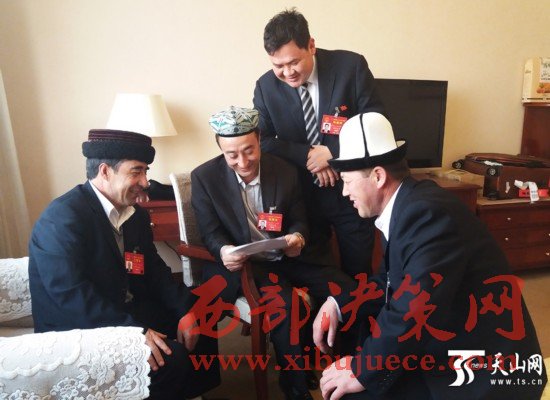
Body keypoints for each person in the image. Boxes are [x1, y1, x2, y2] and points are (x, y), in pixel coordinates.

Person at [312, 113, 547, 399]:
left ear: (378, 176)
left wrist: (361, 370)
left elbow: (412, 308)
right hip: (446, 343)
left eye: (347, 181)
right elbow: (389, 280)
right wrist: (338, 304)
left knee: (353, 389)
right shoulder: (408, 203)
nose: (344, 191)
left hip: (485, 373)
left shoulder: (426, 214)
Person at [29, 129, 219, 400]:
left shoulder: (134, 215)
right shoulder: (62, 218)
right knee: (171, 357)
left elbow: (154, 270)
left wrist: (185, 310)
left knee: (200, 320)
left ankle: (192, 394)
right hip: (79, 327)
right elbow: (71, 296)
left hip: (123, 309)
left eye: (145, 171)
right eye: (136, 172)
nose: (145, 182)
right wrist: (134, 333)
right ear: (105, 171)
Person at [191, 106, 355, 400]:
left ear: (259, 139)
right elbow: (210, 231)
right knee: (287, 305)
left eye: (249, 150)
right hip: (249, 264)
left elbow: (299, 219)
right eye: (232, 155)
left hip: (288, 256)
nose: (243, 162)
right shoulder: (205, 177)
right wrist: (224, 250)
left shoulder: (284, 170)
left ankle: (354, 366)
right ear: (220, 148)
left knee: (348, 288)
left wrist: (297, 237)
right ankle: (295, 387)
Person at [253, 8, 386, 279]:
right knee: (318, 276)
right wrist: (309, 155)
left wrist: (333, 153)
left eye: (293, 62)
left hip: (351, 194)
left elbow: (376, 123)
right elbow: (262, 141)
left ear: (311, 45)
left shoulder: (350, 68)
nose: (287, 72)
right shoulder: (266, 88)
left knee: (358, 272)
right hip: (303, 199)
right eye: (278, 66)